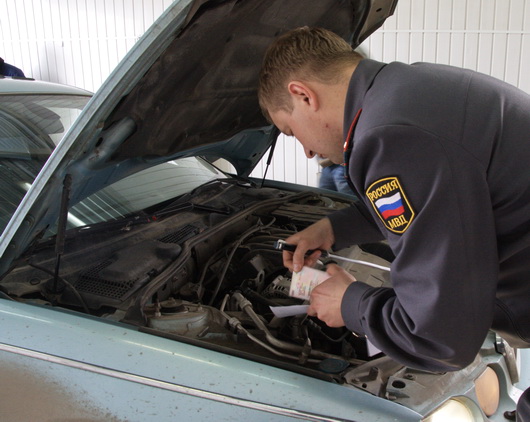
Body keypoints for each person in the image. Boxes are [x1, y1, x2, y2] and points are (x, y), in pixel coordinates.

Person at [258, 26, 530, 420]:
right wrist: (334, 228)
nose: (307, 151)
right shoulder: (407, 90)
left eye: (290, 130)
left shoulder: (390, 135)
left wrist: (349, 303)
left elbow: (440, 337)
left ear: (303, 95)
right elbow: (435, 198)